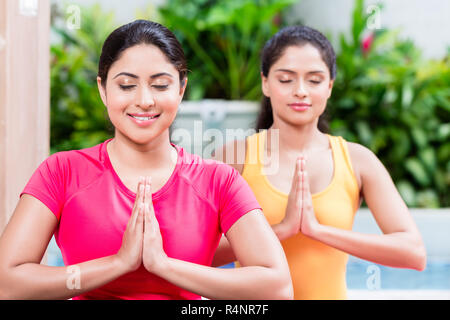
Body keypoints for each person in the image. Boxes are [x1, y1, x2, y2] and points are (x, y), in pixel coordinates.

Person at [0, 20, 293, 300]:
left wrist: (164, 265)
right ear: (103, 89)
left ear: (181, 89)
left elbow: (276, 287)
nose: (144, 100)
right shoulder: (62, 171)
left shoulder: (218, 181)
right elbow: (7, 284)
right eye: (127, 85)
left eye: (160, 85)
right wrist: (118, 263)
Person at [212, 25, 426, 300]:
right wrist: (282, 230)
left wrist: (319, 231)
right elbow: (195, 257)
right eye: (286, 79)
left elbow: (414, 253)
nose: (300, 91)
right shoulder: (234, 159)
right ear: (266, 82)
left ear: (329, 86)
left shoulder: (358, 161)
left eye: (314, 80)